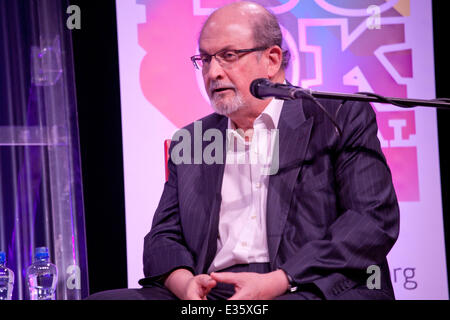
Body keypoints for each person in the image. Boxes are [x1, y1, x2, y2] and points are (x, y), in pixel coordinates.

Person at [88, 1, 399, 300]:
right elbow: (162, 238)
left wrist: (279, 280)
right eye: (205, 59)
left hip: (307, 284)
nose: (212, 73)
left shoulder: (336, 117)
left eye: (229, 55)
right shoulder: (192, 139)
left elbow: (372, 220)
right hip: (214, 289)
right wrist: (184, 283)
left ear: (273, 59)